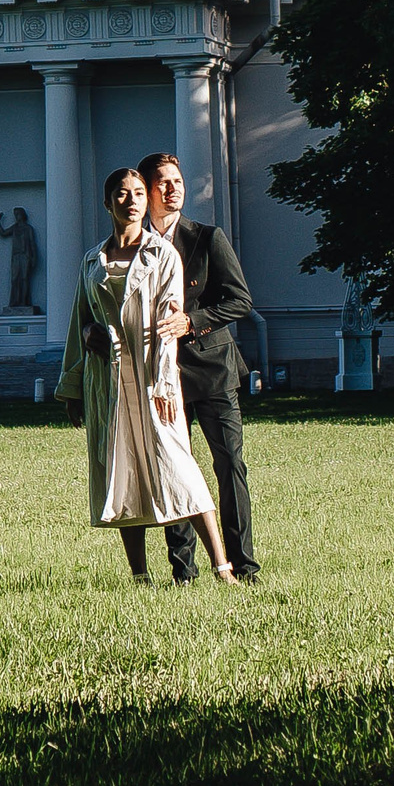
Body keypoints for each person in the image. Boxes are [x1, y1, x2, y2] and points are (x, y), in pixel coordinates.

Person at [56, 165, 238, 584]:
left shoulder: (163, 256)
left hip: (155, 380)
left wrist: (166, 385)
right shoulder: (91, 261)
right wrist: (72, 388)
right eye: (122, 193)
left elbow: (167, 327)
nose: (132, 200)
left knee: (180, 470)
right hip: (107, 381)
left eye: (139, 192)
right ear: (108, 203)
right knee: (122, 474)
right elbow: (77, 324)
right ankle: (139, 575)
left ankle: (221, 567)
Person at [139, 152, 261, 584]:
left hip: (213, 370)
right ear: (147, 190)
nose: (174, 190)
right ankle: (183, 571)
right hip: (160, 377)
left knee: (229, 467)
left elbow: (240, 300)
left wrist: (192, 321)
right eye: (163, 183)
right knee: (175, 470)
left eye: (178, 181)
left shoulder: (207, 238)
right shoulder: (133, 247)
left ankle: (244, 567)